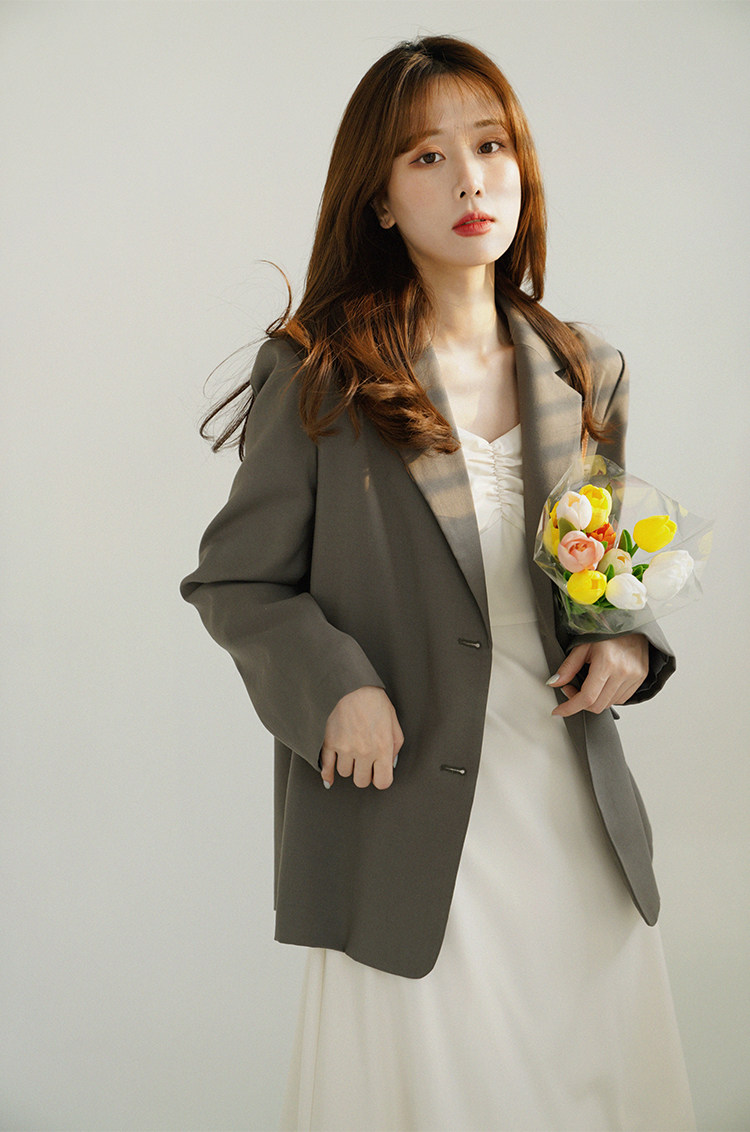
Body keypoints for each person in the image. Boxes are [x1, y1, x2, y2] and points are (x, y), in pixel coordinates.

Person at [181, 35, 695, 1132]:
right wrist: (336, 686)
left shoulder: (585, 368)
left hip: (570, 807)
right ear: (378, 198)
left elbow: (600, 565)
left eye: (491, 145)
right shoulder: (320, 371)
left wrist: (626, 639)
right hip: (409, 813)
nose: (470, 179)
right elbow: (237, 580)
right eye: (426, 156)